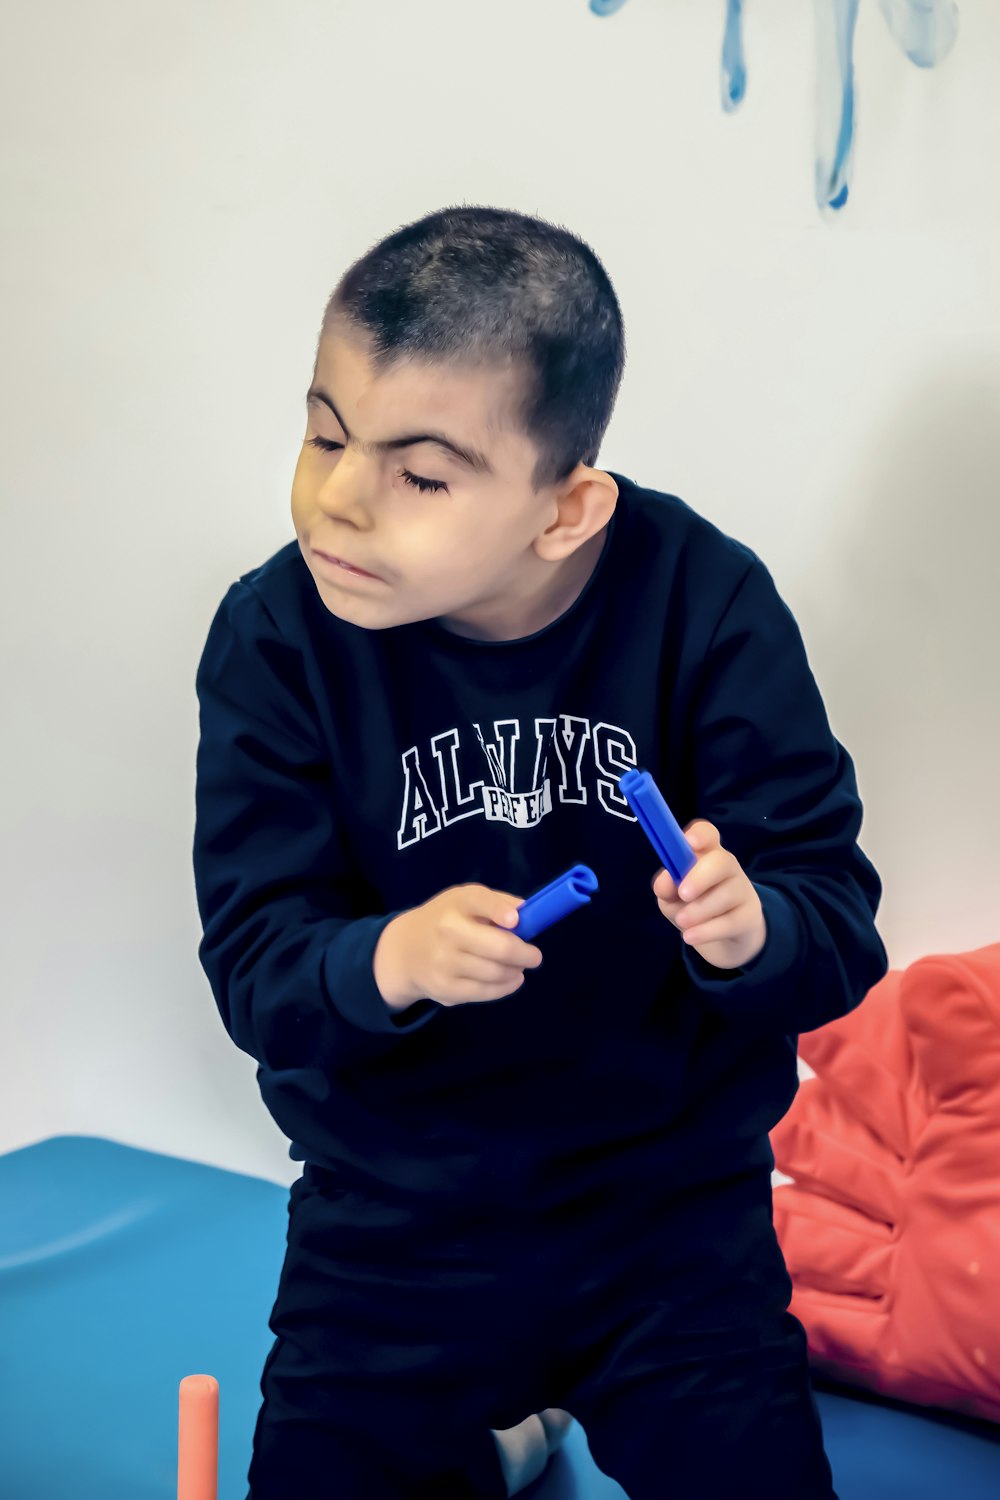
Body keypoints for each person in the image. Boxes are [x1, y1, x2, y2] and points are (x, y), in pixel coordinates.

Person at [193, 205, 889, 1499]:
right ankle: (505, 1443)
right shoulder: (278, 635)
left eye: (421, 473)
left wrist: (759, 931)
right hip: (394, 1233)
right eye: (325, 432)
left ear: (566, 510)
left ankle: (523, 1434)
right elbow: (255, 969)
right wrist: (385, 957)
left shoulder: (706, 600)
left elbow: (838, 927)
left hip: (673, 1227)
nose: (337, 499)